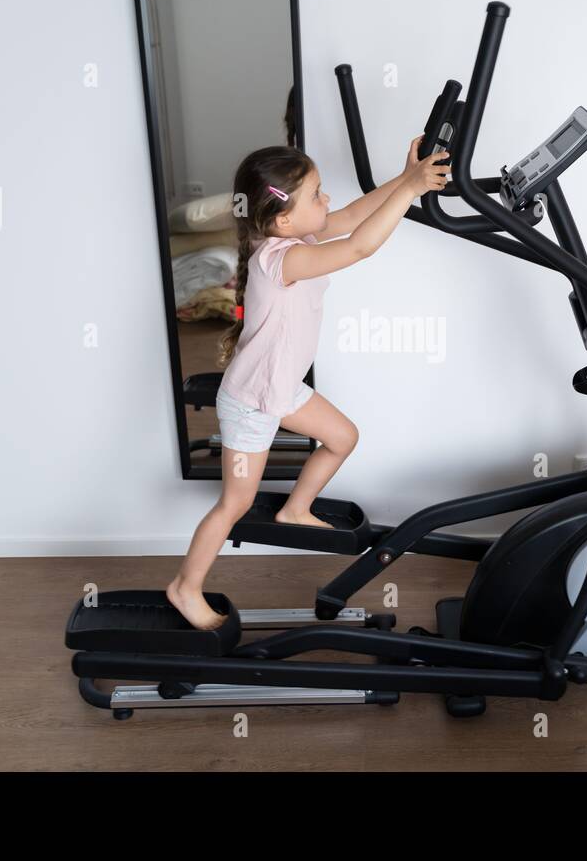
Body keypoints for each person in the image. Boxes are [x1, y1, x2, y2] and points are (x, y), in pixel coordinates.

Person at [167, 137, 450, 629]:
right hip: (253, 400)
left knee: (342, 437)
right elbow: (361, 245)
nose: (328, 201)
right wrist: (411, 190)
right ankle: (184, 588)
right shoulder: (282, 259)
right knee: (235, 503)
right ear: (282, 221)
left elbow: (356, 215)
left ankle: (296, 510)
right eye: (318, 194)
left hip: (281, 387)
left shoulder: (300, 237)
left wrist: (407, 180)